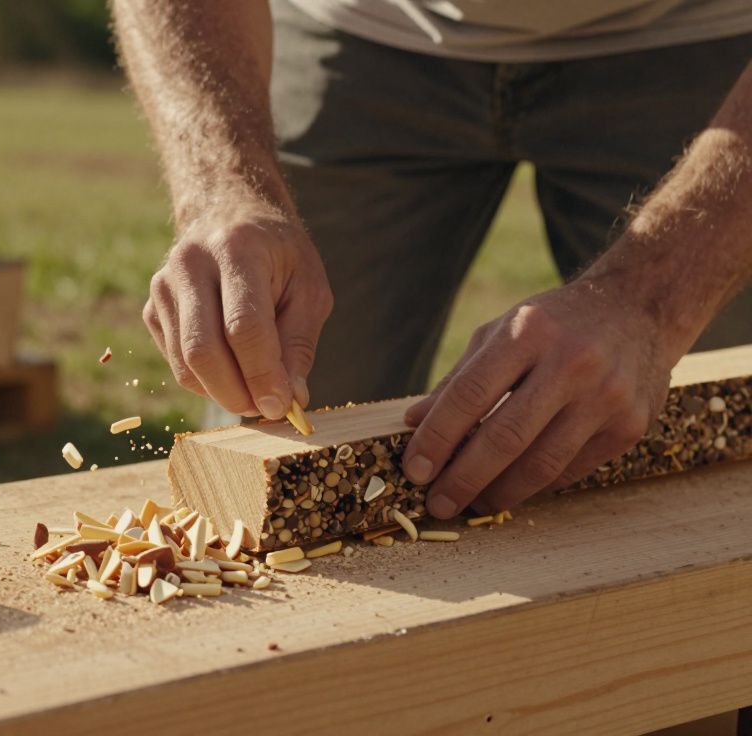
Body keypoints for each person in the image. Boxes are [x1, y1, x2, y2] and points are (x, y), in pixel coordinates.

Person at [111, 1, 752, 519]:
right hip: (359, 31)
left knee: (707, 446)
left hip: (701, 45)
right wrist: (222, 184)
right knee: (268, 448)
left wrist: (654, 299)